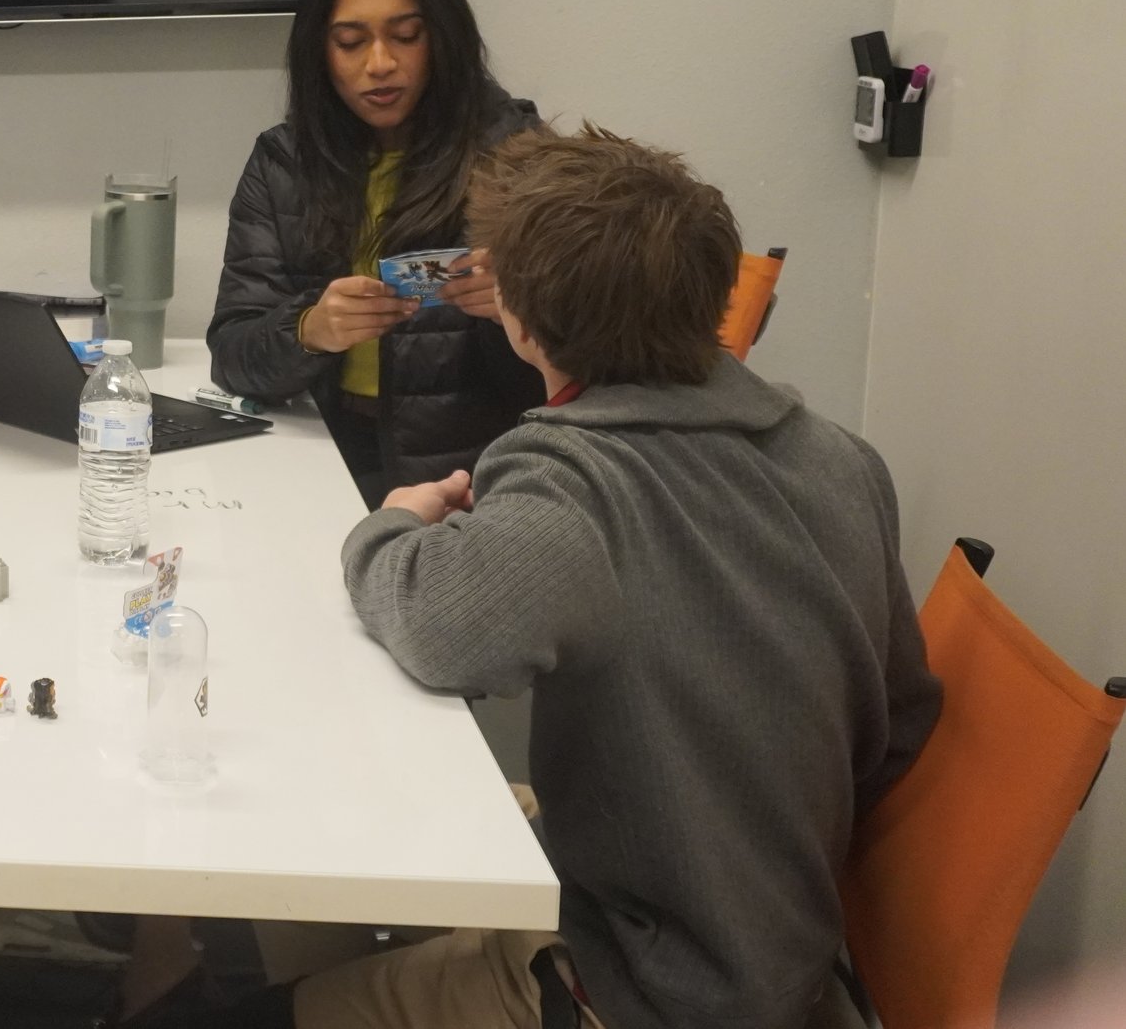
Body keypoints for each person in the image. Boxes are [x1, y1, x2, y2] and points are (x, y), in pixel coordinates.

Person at [124, 127, 943, 1029]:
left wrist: (389, 522)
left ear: (521, 318)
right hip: (781, 953)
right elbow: (898, 720)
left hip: (644, 984)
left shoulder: (575, 476)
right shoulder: (843, 461)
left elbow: (437, 626)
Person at [207, 0, 546, 502]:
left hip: (474, 482)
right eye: (350, 42)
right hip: (317, 463)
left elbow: (582, 372)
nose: (381, 63)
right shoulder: (283, 162)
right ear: (319, 50)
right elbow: (234, 357)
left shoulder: (516, 154)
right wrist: (309, 330)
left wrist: (517, 313)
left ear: (442, 37)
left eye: (406, 35)